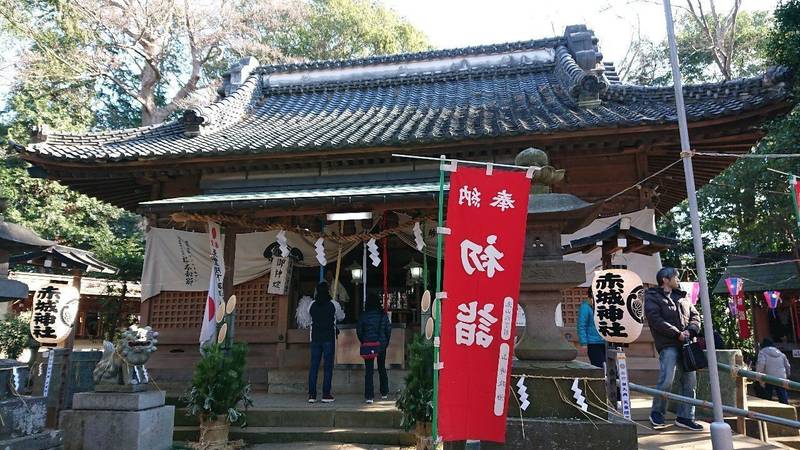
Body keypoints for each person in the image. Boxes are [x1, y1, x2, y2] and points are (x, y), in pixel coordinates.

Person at [644, 267, 704, 431]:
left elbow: (695, 316)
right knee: (666, 380)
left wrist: (690, 331)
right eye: (676, 278)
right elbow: (655, 320)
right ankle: (657, 413)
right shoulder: (652, 296)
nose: (678, 280)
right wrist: (676, 333)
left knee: (690, 383)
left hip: (686, 344)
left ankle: (686, 417)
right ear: (665, 279)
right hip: (668, 344)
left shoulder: (683, 297)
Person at [357, 291, 391, 404]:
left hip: (368, 345)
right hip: (381, 345)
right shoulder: (383, 315)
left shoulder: (363, 315)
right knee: (382, 368)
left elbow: (359, 331)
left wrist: (364, 340)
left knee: (369, 371)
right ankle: (384, 392)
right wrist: (385, 342)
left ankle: (369, 396)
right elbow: (388, 330)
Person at [308, 281, 338, 403]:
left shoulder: (311, 305)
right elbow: (341, 316)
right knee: (328, 367)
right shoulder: (333, 304)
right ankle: (326, 394)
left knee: (314, 366)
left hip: (315, 337)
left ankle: (312, 395)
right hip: (328, 338)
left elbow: (306, 318)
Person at [578, 288, 606, 368]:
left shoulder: (606, 305)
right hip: (593, 342)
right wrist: (584, 342)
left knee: (612, 367)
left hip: (608, 341)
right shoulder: (585, 307)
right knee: (599, 367)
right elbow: (582, 325)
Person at [756, 338, 791, 404]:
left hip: (768, 377)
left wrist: (758, 376)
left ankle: (768, 408)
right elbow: (787, 366)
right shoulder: (780, 353)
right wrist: (787, 374)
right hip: (781, 376)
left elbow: (761, 365)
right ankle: (786, 406)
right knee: (782, 393)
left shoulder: (762, 352)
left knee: (767, 394)